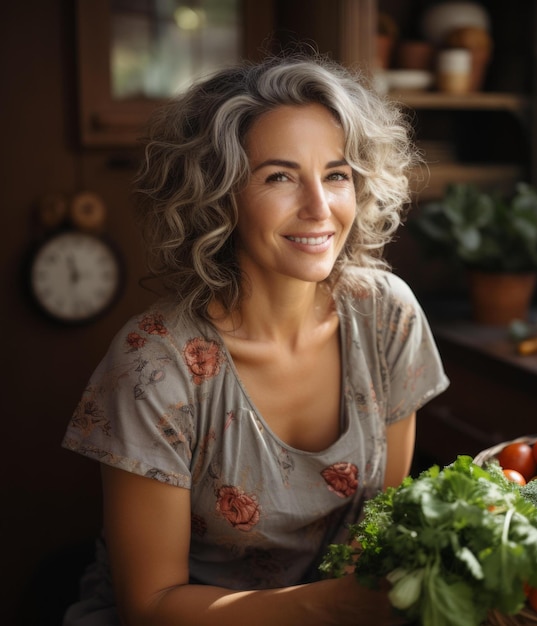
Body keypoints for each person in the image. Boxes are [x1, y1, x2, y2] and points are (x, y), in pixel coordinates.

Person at [61, 52, 449, 626]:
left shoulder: (386, 316)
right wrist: (336, 604)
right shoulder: (154, 363)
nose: (319, 208)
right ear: (219, 196)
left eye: (336, 174)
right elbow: (150, 606)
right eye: (280, 176)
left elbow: (378, 530)